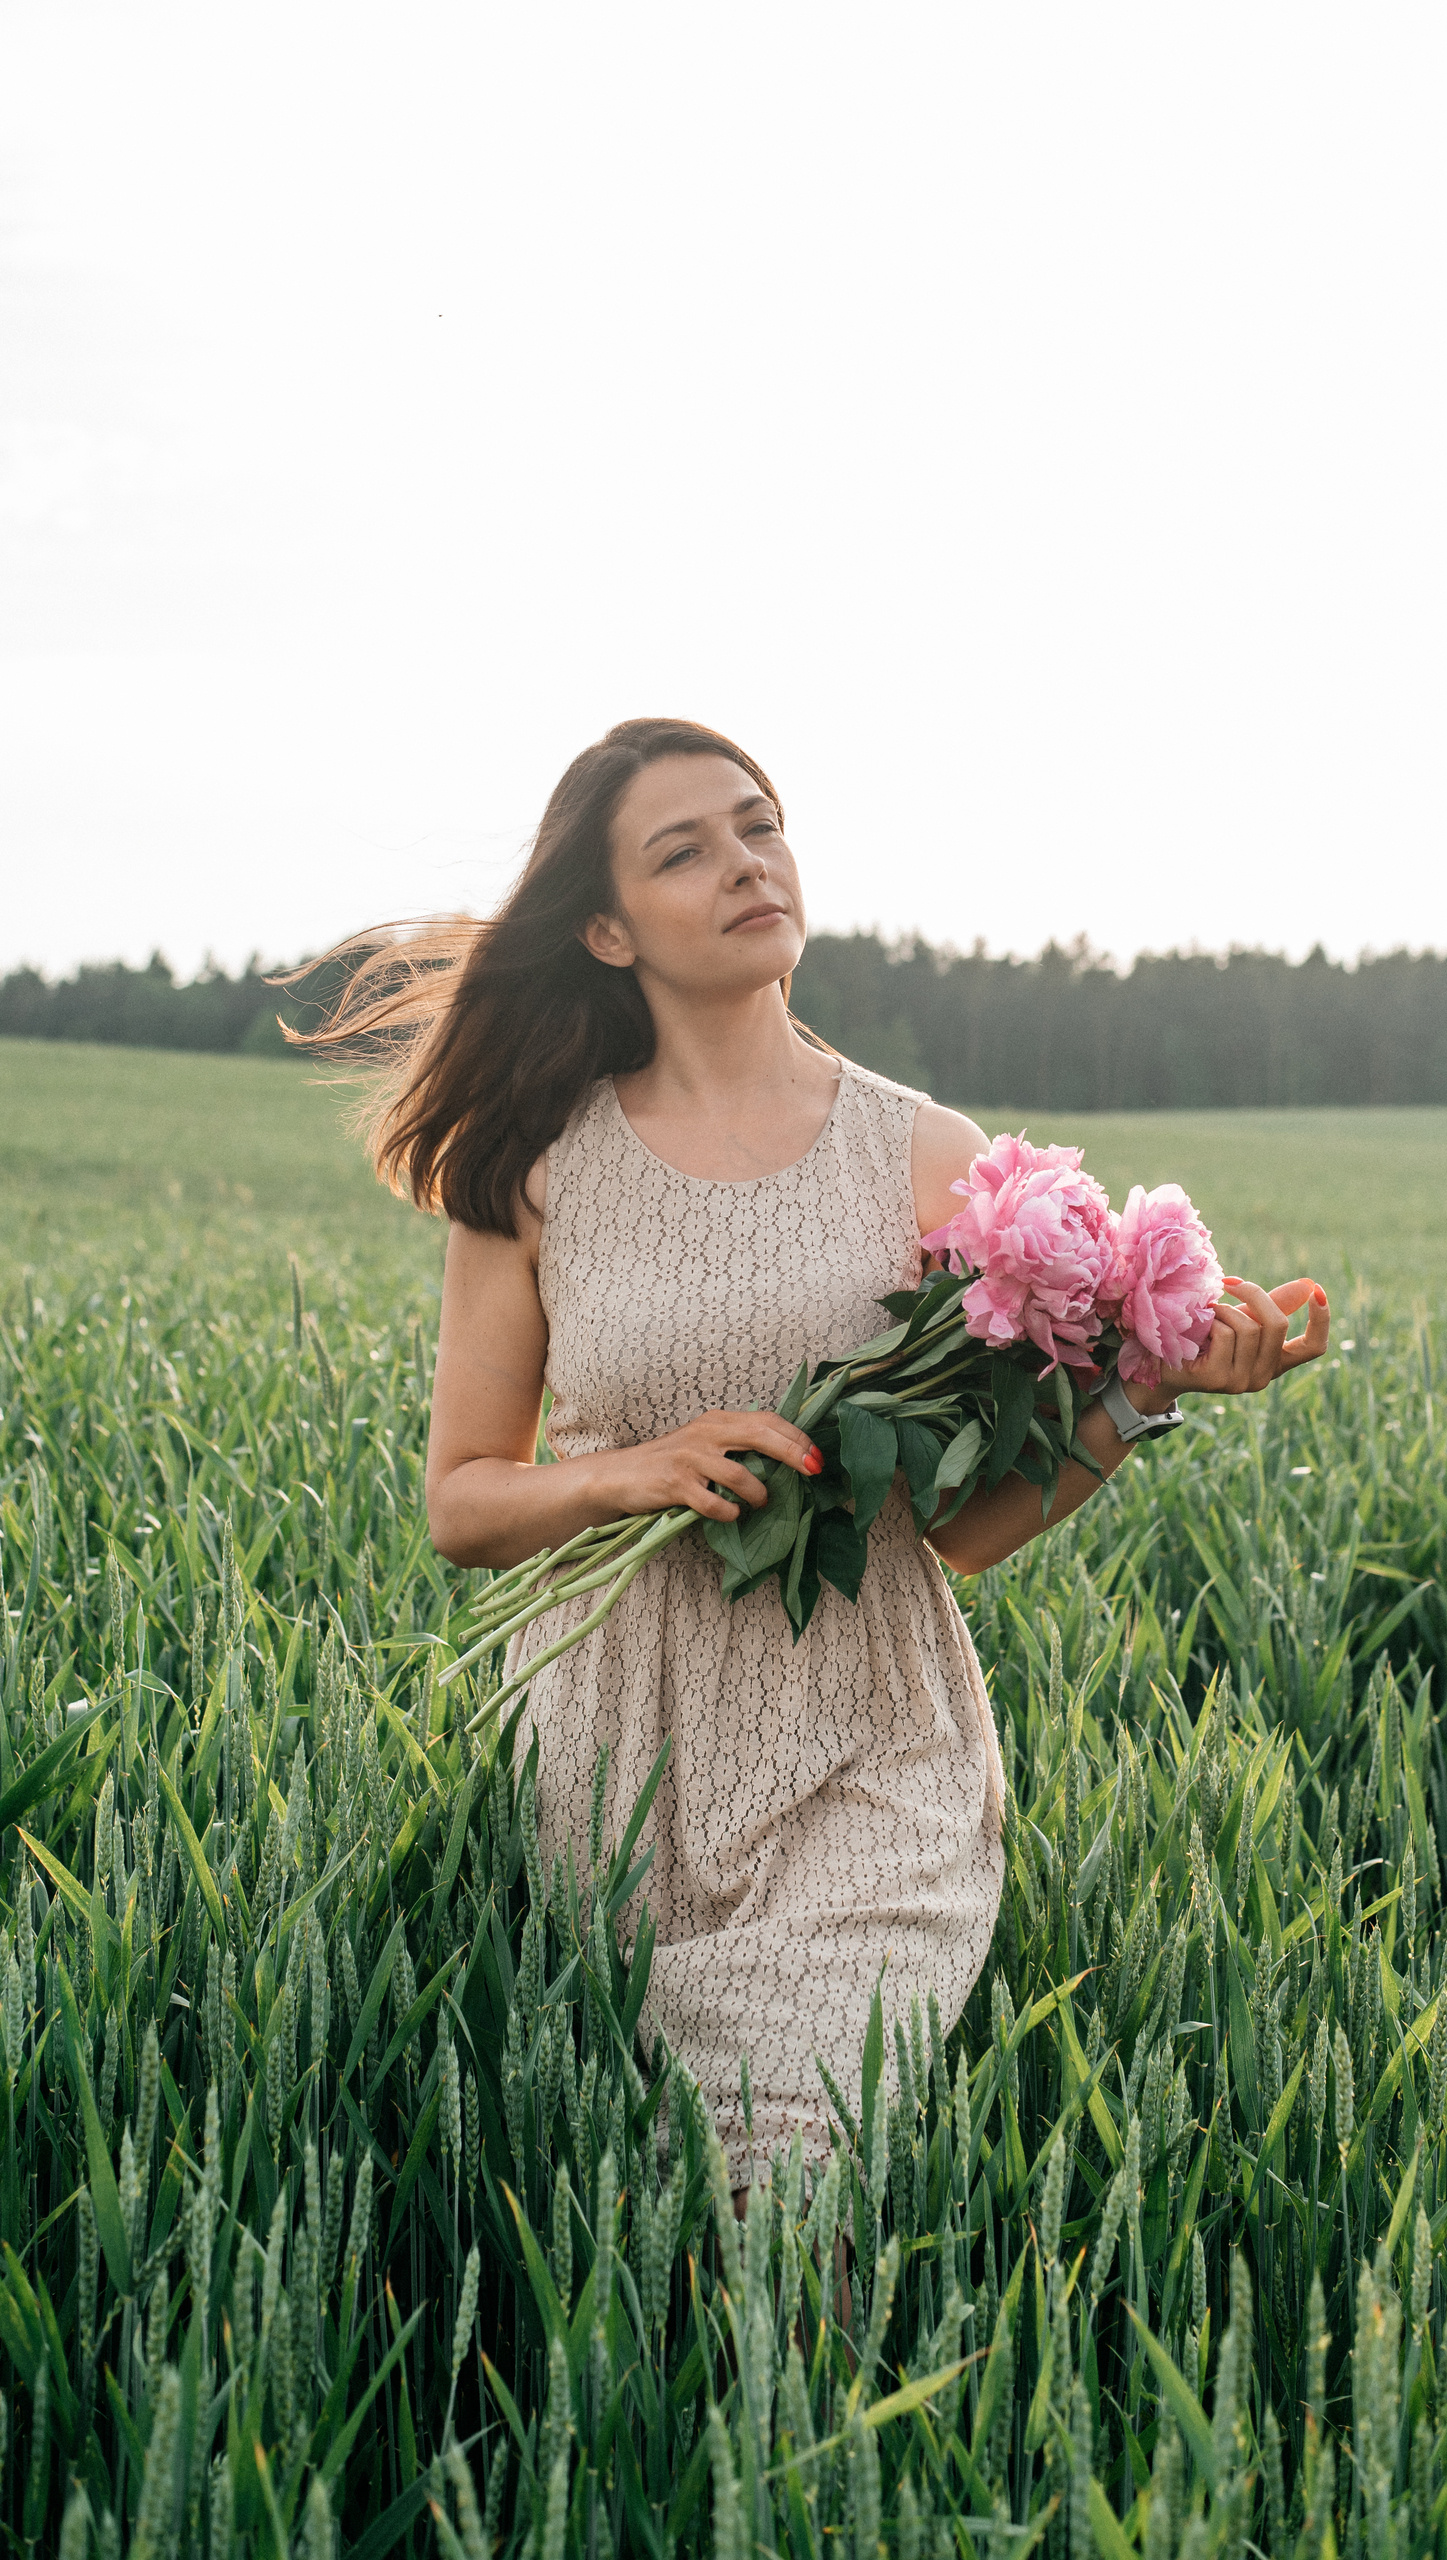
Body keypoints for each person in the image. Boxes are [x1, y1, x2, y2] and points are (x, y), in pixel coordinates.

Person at [300, 715, 1329, 2209]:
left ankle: (821, 2436)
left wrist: (1141, 1391)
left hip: (869, 1748)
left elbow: (962, 1532)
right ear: (602, 927)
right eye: (683, 850)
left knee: (792, 2164)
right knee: (657, 2195)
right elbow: (461, 1501)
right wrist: (626, 1471)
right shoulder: (531, 1169)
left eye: (758, 824)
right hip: (611, 1761)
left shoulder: (928, 1157)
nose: (743, 864)